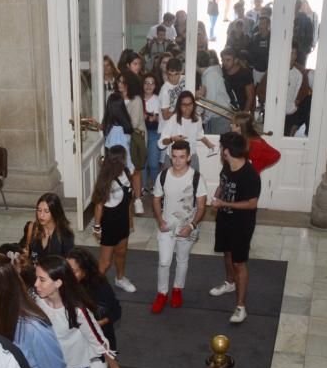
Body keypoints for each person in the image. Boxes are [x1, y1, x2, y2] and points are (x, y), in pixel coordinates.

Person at [65, 248, 125, 368]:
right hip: (73, 347)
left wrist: (96, 325)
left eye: (73, 271)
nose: (69, 276)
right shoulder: (61, 287)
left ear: (84, 270)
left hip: (99, 345)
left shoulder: (99, 285)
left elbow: (116, 311)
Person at [150, 141, 208, 313]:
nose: (177, 161)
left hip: (186, 228)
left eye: (182, 157)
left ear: (189, 157)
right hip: (167, 226)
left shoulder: (196, 177)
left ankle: (177, 290)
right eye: (174, 157)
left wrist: (191, 225)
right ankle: (162, 293)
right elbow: (156, 199)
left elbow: (202, 206)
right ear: (170, 156)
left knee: (182, 260)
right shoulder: (163, 176)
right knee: (164, 262)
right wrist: (160, 220)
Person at [210, 132, 261, 324]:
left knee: (239, 262)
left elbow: (251, 204)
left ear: (226, 151)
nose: (221, 150)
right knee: (227, 253)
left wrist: (224, 204)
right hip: (224, 219)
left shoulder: (250, 175)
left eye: (222, 147)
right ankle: (229, 283)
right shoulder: (227, 166)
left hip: (242, 224)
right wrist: (217, 195)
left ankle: (241, 307)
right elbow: (223, 184)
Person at [92, 145, 136, 293]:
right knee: (105, 262)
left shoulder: (126, 173)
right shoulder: (105, 180)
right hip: (109, 223)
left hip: (122, 220)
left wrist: (130, 220)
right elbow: (98, 207)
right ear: (119, 160)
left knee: (122, 252)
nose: (126, 160)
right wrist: (97, 228)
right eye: (124, 157)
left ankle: (120, 278)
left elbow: (129, 201)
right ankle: (92, 290)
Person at [158, 91, 217, 171]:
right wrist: (172, 139)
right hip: (174, 158)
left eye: (190, 104)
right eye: (184, 105)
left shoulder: (197, 118)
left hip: (190, 157)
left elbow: (199, 134)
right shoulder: (173, 119)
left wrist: (209, 144)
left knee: (194, 182)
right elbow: (161, 143)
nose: (187, 107)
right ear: (179, 106)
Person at [117, 70, 147, 214]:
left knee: (135, 170)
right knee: (120, 170)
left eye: (123, 81)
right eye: (118, 81)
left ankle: (138, 200)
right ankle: (122, 199)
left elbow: (133, 124)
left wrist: (118, 122)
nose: (119, 84)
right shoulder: (115, 98)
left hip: (133, 139)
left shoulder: (136, 100)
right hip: (119, 138)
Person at [18, 193, 75, 265]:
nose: (41, 215)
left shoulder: (65, 234)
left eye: (46, 211)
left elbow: (68, 264)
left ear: (55, 212)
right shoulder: (32, 228)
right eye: (39, 210)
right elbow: (25, 250)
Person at [196, 51, 231, 135]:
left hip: (220, 117)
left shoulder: (210, 76)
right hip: (214, 116)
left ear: (196, 63)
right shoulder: (207, 75)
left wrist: (204, 119)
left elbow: (210, 100)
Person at [102, 91, 134, 170]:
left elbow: (123, 151)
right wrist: (131, 167)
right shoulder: (120, 129)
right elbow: (125, 151)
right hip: (120, 168)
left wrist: (130, 167)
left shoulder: (114, 130)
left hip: (117, 168)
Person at [142, 73, 163, 193]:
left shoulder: (157, 99)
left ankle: (157, 187)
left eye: (152, 83)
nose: (149, 86)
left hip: (154, 133)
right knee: (143, 164)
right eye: (146, 83)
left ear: (155, 86)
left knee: (154, 164)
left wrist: (155, 118)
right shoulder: (138, 99)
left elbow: (162, 118)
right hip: (141, 134)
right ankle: (143, 186)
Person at [221, 48, 255, 112]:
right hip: (226, 110)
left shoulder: (245, 74)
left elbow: (250, 97)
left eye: (228, 60)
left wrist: (244, 114)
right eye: (223, 60)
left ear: (236, 60)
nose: (224, 62)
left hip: (241, 111)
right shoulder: (222, 71)